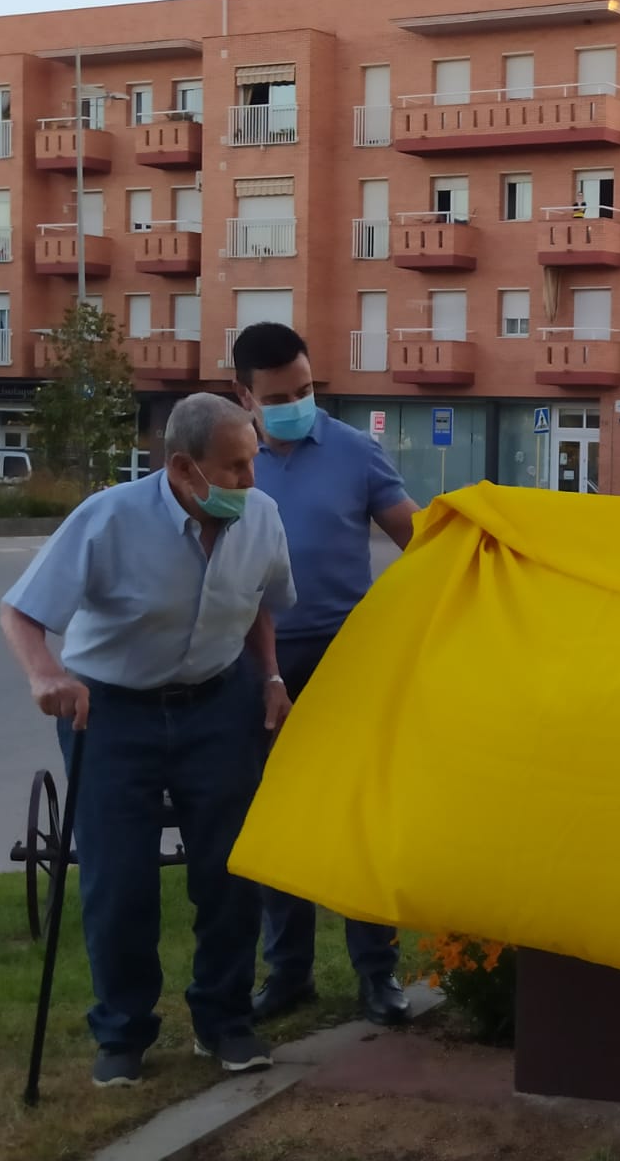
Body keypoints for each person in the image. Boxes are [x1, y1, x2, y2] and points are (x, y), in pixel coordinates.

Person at [0, 393, 295, 1089]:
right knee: (121, 881)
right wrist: (45, 674)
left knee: (230, 872)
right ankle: (123, 1032)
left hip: (218, 703)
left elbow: (256, 604)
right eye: (235, 468)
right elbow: (20, 611)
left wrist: (273, 675)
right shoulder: (109, 518)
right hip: (112, 714)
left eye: (253, 462)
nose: (251, 482)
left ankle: (223, 1020)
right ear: (184, 469)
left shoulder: (263, 518)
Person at [232, 323, 422, 1028]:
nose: (296, 404)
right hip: (258, 659)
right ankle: (288, 973)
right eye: (278, 396)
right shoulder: (228, 460)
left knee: (361, 815)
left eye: (306, 390)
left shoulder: (354, 451)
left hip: (349, 654)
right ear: (242, 396)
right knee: (280, 815)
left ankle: (379, 974)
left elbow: (417, 539)